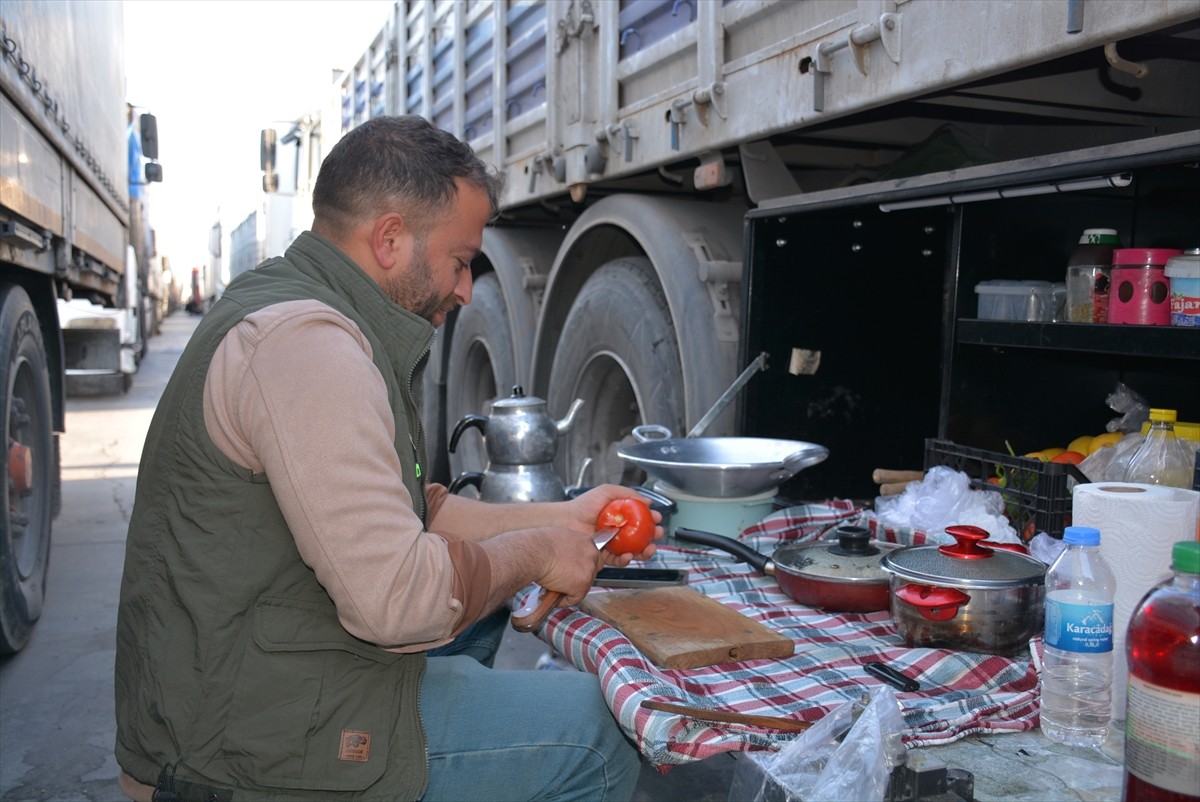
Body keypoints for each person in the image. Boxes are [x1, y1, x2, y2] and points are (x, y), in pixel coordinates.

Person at [114, 115, 657, 802]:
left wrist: (565, 521)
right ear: (391, 239)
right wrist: (535, 552)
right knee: (593, 732)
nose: (465, 291)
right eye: (461, 262)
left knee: (481, 606)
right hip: (236, 752)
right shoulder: (308, 348)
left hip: (249, 683)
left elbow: (411, 513)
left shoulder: (297, 303)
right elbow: (400, 603)